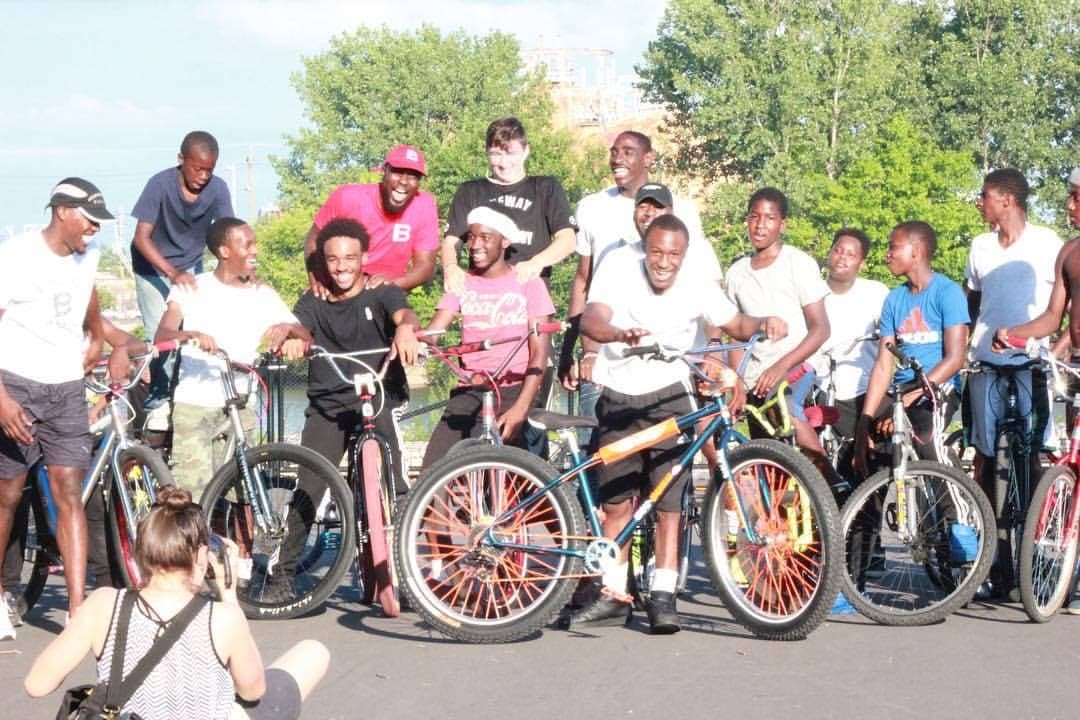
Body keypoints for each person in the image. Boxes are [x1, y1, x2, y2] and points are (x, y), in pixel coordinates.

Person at [567, 214, 785, 634]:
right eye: (656, 252)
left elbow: (735, 323)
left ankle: (663, 596)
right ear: (644, 250)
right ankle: (614, 594)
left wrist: (763, 322)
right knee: (616, 505)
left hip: (671, 397)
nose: (664, 262)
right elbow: (591, 319)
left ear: (684, 255)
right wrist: (618, 335)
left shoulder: (697, 281)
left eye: (673, 254)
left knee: (669, 504)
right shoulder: (618, 268)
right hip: (619, 397)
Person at [24, 485, 329, 720]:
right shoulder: (223, 618)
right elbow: (253, 690)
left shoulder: (103, 605)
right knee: (313, 652)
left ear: (140, 554)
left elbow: (36, 684)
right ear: (202, 556)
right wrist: (229, 596)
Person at [0, 177, 114, 635]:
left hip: (66, 387)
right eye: (90, 220)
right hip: (17, 385)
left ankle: (77, 609)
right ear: (62, 212)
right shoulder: (16, 255)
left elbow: (89, 298)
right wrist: (2, 399)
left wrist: (98, 337)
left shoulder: (89, 256)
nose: (95, 229)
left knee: (70, 492)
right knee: (8, 495)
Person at [154, 218, 311, 500]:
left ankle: (244, 531)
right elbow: (162, 334)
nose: (255, 251)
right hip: (196, 402)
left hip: (241, 401)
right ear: (224, 251)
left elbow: (307, 336)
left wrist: (288, 328)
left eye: (254, 244)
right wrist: (191, 334)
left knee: (245, 493)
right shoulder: (192, 287)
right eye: (247, 245)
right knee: (193, 494)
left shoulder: (262, 293)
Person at [965, 168, 1062, 598]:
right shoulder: (980, 246)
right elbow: (972, 304)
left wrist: (1057, 345)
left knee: (1032, 456)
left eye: (984, 195)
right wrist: (966, 347)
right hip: (986, 365)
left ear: (1007, 199)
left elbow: (1062, 304)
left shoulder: (1047, 243)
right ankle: (994, 562)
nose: (979, 202)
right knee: (985, 461)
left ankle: (1036, 558)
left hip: (1030, 364)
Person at [991, 167, 1080, 611]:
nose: (1070, 205)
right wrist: (1016, 333)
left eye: (1077, 197)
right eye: (1070, 196)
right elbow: (1052, 318)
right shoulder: (1069, 252)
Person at [561, 160, 722, 400]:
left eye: (658, 207)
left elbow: (715, 310)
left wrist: (715, 347)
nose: (649, 213)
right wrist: (591, 354)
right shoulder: (617, 258)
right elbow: (593, 314)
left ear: (671, 212)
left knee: (703, 424)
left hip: (682, 373)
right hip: (622, 378)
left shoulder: (698, 251)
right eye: (643, 207)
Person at [420, 207, 555, 468]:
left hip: (515, 388)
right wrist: (414, 339)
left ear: (505, 241)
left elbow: (539, 353)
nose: (475, 245)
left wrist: (521, 408)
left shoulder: (528, 282)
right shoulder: (462, 282)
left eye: (485, 237)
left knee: (522, 476)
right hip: (471, 390)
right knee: (432, 474)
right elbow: (432, 333)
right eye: (471, 237)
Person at [130, 131, 234, 434]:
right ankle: (158, 404)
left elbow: (227, 232)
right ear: (181, 160)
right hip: (152, 265)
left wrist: (237, 270)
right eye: (197, 169)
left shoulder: (218, 188)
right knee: (162, 334)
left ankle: (186, 396)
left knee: (193, 330)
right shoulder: (159, 185)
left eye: (209, 170)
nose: (203, 177)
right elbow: (141, 238)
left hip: (189, 264)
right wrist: (171, 273)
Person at [725, 188, 831, 470]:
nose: (760, 225)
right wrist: (737, 384)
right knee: (766, 454)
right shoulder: (736, 273)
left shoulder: (797, 263)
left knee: (786, 411)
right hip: (755, 376)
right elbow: (735, 335)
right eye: (754, 217)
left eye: (769, 218)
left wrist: (781, 367)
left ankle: (831, 484)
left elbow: (821, 329)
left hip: (795, 365)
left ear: (782, 224)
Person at [854, 221, 969, 476]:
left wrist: (911, 398)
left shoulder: (947, 292)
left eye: (893, 247)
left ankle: (955, 500)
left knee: (924, 434)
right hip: (903, 388)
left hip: (938, 386)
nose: (887, 254)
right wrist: (864, 422)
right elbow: (883, 365)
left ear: (915, 251)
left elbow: (955, 359)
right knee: (874, 441)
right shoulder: (894, 299)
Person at [441, 117, 576, 292]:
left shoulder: (546, 188)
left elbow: (567, 239)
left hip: (531, 292)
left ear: (526, 151)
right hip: (481, 295)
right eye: (496, 154)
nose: (504, 163)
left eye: (511, 153)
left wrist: (537, 263)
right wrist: (450, 268)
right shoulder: (470, 191)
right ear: (486, 153)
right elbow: (452, 241)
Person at [303, 145, 438, 299]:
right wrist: (317, 279)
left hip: (385, 295)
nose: (404, 181)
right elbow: (313, 238)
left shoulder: (424, 205)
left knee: (405, 315)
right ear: (384, 171)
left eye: (413, 176)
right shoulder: (348, 197)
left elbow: (425, 266)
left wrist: (391, 285)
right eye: (398, 172)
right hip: (337, 290)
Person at [809, 229, 889, 468]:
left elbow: (891, 338)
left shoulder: (876, 293)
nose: (842, 258)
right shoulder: (812, 294)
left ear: (861, 263)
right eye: (838, 251)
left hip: (867, 388)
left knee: (881, 453)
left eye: (851, 255)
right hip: (825, 387)